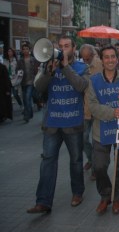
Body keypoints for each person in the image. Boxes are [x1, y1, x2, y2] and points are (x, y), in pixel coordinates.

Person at [27, 36, 88, 214]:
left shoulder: (81, 67)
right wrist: (49, 72)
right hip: (52, 123)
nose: (62, 49)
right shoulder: (48, 66)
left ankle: (77, 192)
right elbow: (38, 87)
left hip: (73, 122)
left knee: (76, 161)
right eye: (60, 46)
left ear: (73, 48)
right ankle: (43, 201)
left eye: (66, 46)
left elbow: (81, 86)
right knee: (47, 161)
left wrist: (65, 67)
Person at [88, 45, 119, 214]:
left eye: (113, 57)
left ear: (117, 59)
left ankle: (117, 198)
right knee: (99, 166)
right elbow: (93, 106)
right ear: (102, 60)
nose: (110, 60)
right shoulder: (93, 80)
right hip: (100, 130)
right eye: (107, 57)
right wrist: (113, 112)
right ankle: (105, 195)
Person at [80, 44, 103, 179]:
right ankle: (91, 159)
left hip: (97, 109)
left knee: (96, 141)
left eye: (87, 59)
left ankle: (96, 168)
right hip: (85, 109)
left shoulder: (100, 64)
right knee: (83, 138)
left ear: (93, 55)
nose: (85, 61)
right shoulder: (83, 67)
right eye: (83, 59)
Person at [17, 42, 39, 123]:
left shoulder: (33, 60)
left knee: (27, 97)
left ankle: (27, 115)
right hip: (23, 82)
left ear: (29, 50)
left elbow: (37, 69)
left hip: (31, 82)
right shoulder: (20, 61)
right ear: (22, 51)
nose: (25, 51)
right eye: (24, 49)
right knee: (25, 100)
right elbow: (17, 70)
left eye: (27, 49)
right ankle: (29, 113)